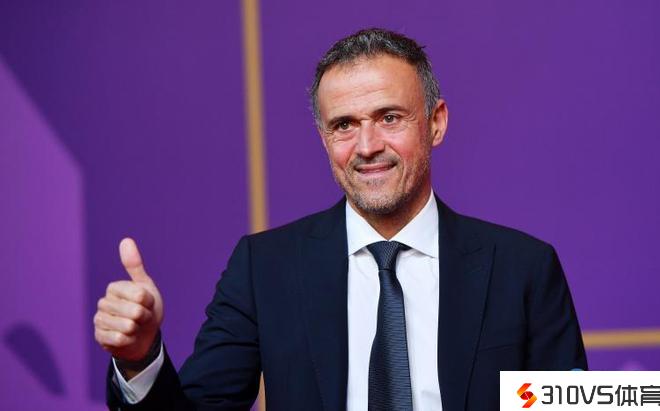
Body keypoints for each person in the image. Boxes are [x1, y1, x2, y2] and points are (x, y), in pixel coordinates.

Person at [95, 28, 587, 411]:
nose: (367, 146)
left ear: (435, 122)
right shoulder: (264, 268)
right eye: (344, 125)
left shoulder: (523, 267)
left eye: (389, 117)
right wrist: (141, 359)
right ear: (323, 138)